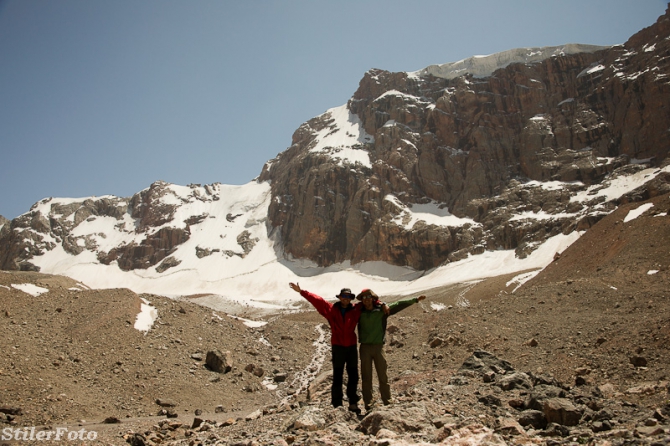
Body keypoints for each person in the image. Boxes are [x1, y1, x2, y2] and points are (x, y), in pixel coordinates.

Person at [289, 282, 387, 413]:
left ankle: (353, 403)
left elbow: (370, 301)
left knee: (353, 376)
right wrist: (302, 292)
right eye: (344, 296)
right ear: (340, 297)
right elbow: (318, 301)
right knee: (338, 375)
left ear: (351, 298)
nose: (346, 298)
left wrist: (382, 303)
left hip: (351, 347)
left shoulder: (356, 309)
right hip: (338, 347)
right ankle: (337, 403)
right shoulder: (331, 310)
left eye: (349, 296)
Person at [356, 288, 426, 412]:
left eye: (368, 297)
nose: (366, 300)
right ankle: (368, 404)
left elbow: (398, 305)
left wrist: (415, 300)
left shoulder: (382, 310)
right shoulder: (358, 311)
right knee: (366, 376)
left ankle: (387, 401)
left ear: (373, 298)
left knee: (383, 375)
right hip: (365, 347)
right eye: (364, 298)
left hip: (378, 347)